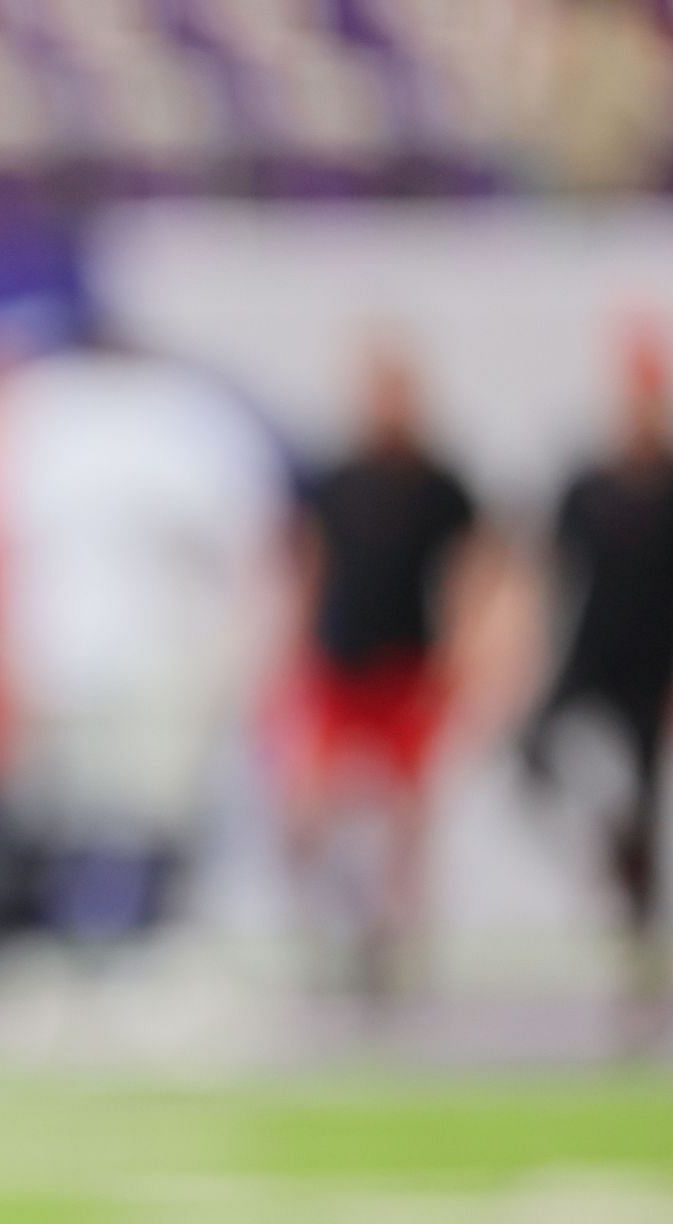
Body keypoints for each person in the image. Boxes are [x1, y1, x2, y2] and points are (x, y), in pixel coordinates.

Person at [286, 336, 486, 1002]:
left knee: (406, 817)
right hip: (341, 664)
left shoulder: (440, 484)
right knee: (311, 813)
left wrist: (465, 652)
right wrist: (294, 645)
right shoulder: (337, 480)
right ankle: (341, 922)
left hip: (409, 664)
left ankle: (396, 942)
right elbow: (309, 564)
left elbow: (475, 571)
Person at [523, 326, 673, 1052]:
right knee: (536, 757)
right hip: (591, 659)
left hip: (655, 666)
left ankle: (638, 972)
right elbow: (546, 571)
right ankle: (608, 844)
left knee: (648, 820)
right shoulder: (586, 484)